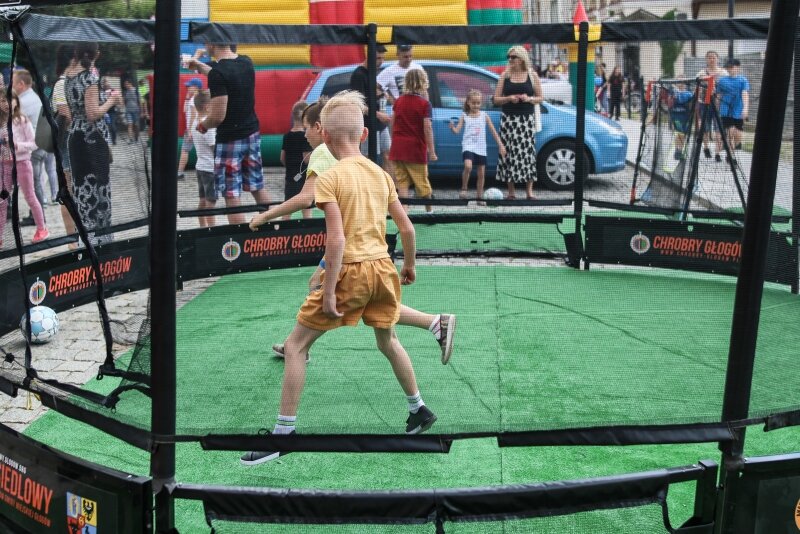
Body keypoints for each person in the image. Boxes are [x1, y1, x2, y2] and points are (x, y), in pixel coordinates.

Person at [240, 91, 437, 466]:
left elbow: (336, 240)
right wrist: (409, 265)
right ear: (364, 135)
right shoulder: (381, 174)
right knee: (389, 340)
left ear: (325, 137)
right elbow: (407, 229)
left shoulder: (330, 177)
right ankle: (419, 408)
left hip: (351, 272)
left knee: (295, 347)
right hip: (383, 269)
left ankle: (283, 435)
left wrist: (328, 289)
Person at [249, 98, 456, 365]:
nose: (305, 134)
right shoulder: (368, 167)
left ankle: (298, 346)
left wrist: (266, 215)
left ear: (320, 129)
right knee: (365, 309)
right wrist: (409, 263)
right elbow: (405, 227)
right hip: (370, 251)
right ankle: (434, 324)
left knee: (336, 296)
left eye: (306, 128)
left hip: (351, 251)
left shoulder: (323, 153)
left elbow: (306, 199)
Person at [187, 43, 269, 225]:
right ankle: (273, 229)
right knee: (257, 186)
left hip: (230, 139)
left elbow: (217, 116)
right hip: (252, 134)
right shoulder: (246, 62)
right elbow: (224, 75)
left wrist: (202, 126)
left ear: (212, 45)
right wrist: (199, 66)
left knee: (231, 194)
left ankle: (240, 237)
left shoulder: (218, 74)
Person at [64, 42, 122, 246]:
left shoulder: (68, 75)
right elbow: (93, 114)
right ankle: (101, 243)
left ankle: (85, 240)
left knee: (81, 189)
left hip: (76, 136)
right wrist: (112, 101)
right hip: (92, 139)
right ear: (96, 54)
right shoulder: (89, 77)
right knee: (99, 190)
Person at [492, 45, 543, 200]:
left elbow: (540, 97)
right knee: (508, 154)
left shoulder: (532, 75)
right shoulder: (505, 75)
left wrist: (529, 99)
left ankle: (529, 192)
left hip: (526, 121)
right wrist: (509, 98)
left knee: (528, 154)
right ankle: (511, 192)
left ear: (521, 58)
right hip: (509, 120)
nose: (510, 59)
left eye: (513, 57)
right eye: (509, 57)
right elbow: (495, 99)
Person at [0, 91, 49, 245]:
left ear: (16, 101)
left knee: (30, 196)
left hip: (22, 163)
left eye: (10, 100)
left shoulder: (22, 120)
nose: (7, 104)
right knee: (2, 201)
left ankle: (42, 228)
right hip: (5, 165)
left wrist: (17, 146)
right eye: (3, 101)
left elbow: (35, 143)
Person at [389, 69, 436, 212]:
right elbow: (427, 128)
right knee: (422, 183)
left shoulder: (399, 101)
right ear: (423, 82)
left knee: (402, 183)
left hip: (398, 148)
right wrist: (432, 151)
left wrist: (394, 140)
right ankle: (429, 212)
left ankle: (404, 213)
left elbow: (392, 122)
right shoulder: (425, 104)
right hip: (415, 150)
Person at [448, 89, 505, 203]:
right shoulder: (464, 116)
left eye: (478, 103)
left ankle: (479, 197)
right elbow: (457, 131)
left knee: (481, 173)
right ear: (468, 102)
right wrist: (452, 128)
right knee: (468, 166)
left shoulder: (484, 116)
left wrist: (500, 145)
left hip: (481, 148)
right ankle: (464, 188)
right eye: (473, 103)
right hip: (468, 146)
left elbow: (493, 132)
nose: (476, 105)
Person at [12, 69, 47, 225]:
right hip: (39, 145)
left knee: (33, 185)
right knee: (35, 183)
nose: (12, 86)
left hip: (32, 149)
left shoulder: (23, 102)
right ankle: (37, 216)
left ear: (21, 84)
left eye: (13, 83)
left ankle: (38, 218)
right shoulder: (33, 97)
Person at [51, 44, 77, 245]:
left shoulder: (75, 81)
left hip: (76, 145)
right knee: (68, 192)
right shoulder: (61, 84)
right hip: (67, 144)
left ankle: (78, 236)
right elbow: (65, 113)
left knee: (77, 192)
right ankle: (71, 240)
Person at [349, 44, 391, 162]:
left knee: (388, 155)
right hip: (367, 124)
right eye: (378, 58)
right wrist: (379, 115)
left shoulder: (373, 72)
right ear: (369, 57)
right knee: (368, 159)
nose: (381, 62)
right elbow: (358, 104)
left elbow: (372, 93)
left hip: (379, 124)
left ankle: (388, 176)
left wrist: (382, 95)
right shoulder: (359, 75)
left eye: (383, 58)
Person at [280, 100, 312, 220]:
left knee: (287, 206)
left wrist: (290, 166)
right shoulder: (305, 137)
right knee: (307, 206)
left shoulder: (287, 136)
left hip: (290, 177)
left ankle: (283, 227)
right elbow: (306, 159)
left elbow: (282, 158)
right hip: (304, 177)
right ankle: (308, 228)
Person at [190, 90, 217, 228]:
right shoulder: (208, 127)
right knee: (211, 201)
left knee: (202, 200)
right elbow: (214, 148)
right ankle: (211, 230)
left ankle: (203, 227)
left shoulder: (195, 123)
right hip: (209, 168)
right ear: (207, 107)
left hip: (200, 166)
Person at [696, 51, 728, 162]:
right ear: (706, 59)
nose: (712, 59)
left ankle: (717, 153)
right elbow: (697, 87)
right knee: (705, 127)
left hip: (719, 104)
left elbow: (727, 87)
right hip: (704, 103)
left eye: (714, 57)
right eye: (709, 57)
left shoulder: (724, 73)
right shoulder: (701, 73)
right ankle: (706, 147)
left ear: (717, 59)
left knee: (719, 129)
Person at [716, 58, 749, 162]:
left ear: (737, 67)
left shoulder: (743, 80)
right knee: (730, 132)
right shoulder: (722, 80)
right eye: (728, 67)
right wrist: (717, 108)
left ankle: (730, 149)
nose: (729, 69)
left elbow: (745, 93)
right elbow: (718, 95)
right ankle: (730, 156)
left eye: (731, 67)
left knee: (738, 135)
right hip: (726, 110)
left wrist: (745, 108)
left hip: (738, 110)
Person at [177, 77, 203, 179]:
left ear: (196, 87)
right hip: (198, 128)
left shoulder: (194, 99)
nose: (187, 88)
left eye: (189, 86)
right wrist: (187, 97)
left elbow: (193, 115)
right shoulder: (197, 98)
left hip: (193, 129)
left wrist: (190, 131)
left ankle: (180, 173)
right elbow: (185, 110)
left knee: (185, 150)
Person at [668, 83, 695, 161]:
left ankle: (679, 150)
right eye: (679, 83)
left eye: (683, 83)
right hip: (676, 116)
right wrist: (673, 95)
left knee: (682, 134)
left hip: (685, 117)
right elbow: (670, 104)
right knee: (680, 133)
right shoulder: (673, 92)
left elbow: (691, 103)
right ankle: (678, 151)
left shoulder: (688, 94)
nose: (681, 84)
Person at [122, 79, 141, 143]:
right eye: (125, 84)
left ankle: (136, 138)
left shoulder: (136, 91)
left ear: (130, 84)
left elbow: (140, 101)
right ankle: (130, 139)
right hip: (128, 111)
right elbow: (124, 101)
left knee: (136, 125)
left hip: (136, 111)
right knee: (130, 125)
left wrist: (141, 111)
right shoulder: (125, 92)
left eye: (126, 84)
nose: (125, 86)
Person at [101, 77, 118, 145]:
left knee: (112, 127)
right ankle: (106, 141)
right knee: (106, 127)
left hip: (112, 112)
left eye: (107, 82)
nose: (106, 83)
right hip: (103, 112)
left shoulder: (113, 90)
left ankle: (114, 140)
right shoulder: (101, 91)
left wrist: (112, 98)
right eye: (105, 82)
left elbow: (117, 101)